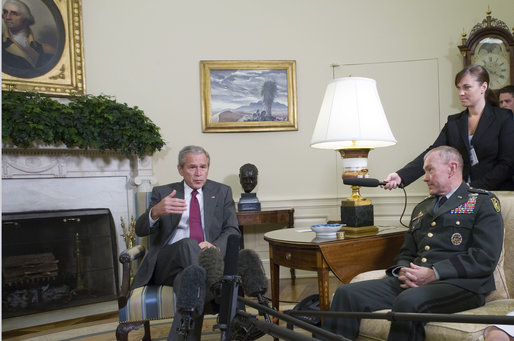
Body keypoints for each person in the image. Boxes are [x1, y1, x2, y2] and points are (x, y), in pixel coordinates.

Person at [323, 146, 504, 341]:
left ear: (452, 168)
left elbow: (484, 257)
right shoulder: (422, 207)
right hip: (415, 281)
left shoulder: (482, 202)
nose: (424, 177)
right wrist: (401, 270)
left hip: (461, 286)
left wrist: (434, 273)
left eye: (430, 170)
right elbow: (407, 252)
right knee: (346, 294)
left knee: (408, 301)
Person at [133, 145, 240, 341]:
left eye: (203, 167)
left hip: (196, 265)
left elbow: (232, 230)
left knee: (191, 279)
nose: (199, 173)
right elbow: (140, 229)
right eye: (192, 167)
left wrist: (214, 247)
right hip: (168, 263)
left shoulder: (222, 191)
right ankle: (217, 289)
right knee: (188, 244)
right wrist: (155, 212)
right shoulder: (163, 193)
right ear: (180, 169)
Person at [383, 65, 514, 191]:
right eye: (459, 88)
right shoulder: (454, 122)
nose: (461, 93)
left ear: (483, 87)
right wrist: (401, 176)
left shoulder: (504, 118)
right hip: (462, 194)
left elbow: (507, 163)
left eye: (467, 87)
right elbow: (432, 152)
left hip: (496, 192)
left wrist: (474, 187)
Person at [2, 0, 55, 73]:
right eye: (5, 12)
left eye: (14, 13)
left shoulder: (44, 48)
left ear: (26, 18)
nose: (7, 17)